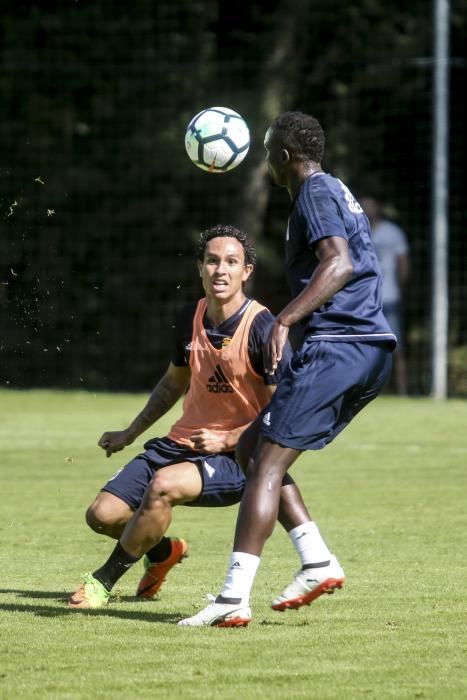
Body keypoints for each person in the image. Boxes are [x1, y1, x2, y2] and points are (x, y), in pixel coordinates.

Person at [178, 111, 396, 628]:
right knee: (253, 448)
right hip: (363, 347)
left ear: (283, 156)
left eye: (268, 150)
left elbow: (339, 263)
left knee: (267, 465)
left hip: (341, 346)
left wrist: (287, 319)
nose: (264, 160)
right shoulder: (332, 189)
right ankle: (317, 561)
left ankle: (232, 598)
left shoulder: (315, 193)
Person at [68, 224, 315, 609]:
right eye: (212, 261)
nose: (221, 270)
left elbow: (283, 411)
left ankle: (102, 582)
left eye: (231, 262)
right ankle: (163, 552)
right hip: (179, 442)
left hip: (235, 456)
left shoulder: (263, 329)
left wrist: (228, 439)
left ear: (247, 271)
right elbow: (172, 384)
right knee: (102, 515)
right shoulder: (190, 318)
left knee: (162, 487)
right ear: (200, 267)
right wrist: (129, 433)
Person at [360, 196, 410, 395]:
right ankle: (365, 391)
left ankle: (402, 390)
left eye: (370, 205)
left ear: (378, 207)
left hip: (389, 298)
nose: (367, 209)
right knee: (365, 349)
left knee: (397, 348)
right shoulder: (356, 229)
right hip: (364, 301)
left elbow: (403, 264)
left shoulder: (392, 232)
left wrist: (399, 288)